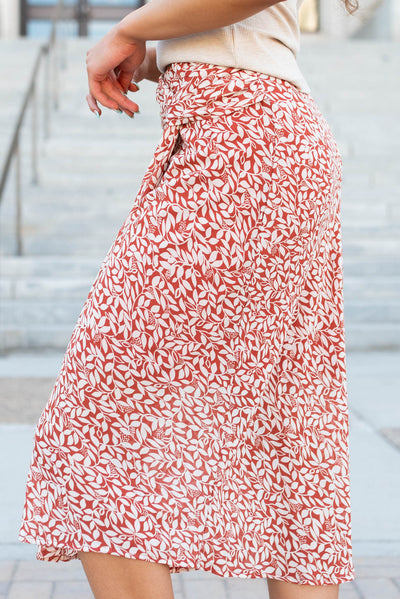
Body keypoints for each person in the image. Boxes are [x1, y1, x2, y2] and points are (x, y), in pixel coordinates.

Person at [18, 0, 359, 597]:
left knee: (97, 423)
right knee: (289, 424)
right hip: (257, 141)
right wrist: (155, 54)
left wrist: (130, 28)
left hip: (241, 145)